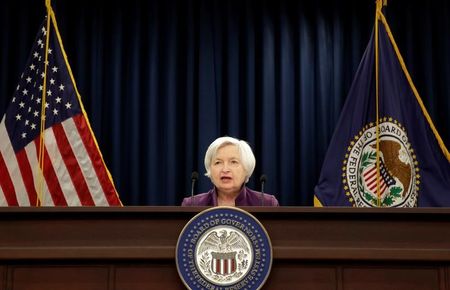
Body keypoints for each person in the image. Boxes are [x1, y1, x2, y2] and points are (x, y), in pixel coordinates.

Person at [182, 136, 279, 206]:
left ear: (246, 168)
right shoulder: (192, 204)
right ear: (210, 169)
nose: (225, 169)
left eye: (233, 162)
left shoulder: (266, 203)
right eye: (218, 163)